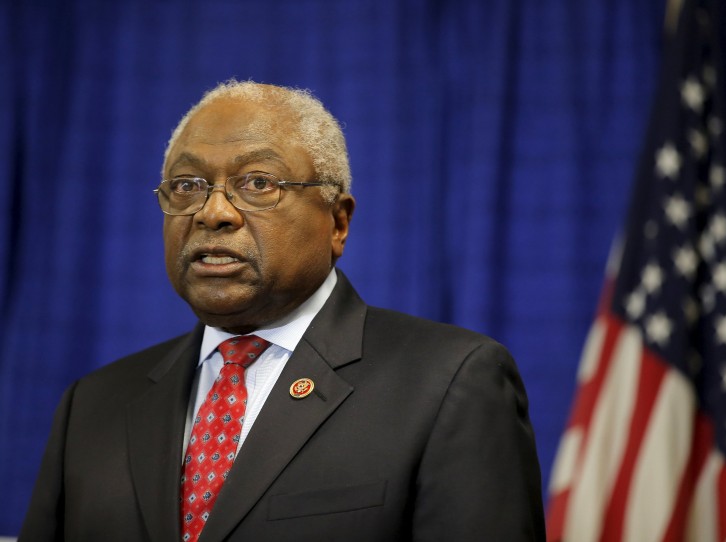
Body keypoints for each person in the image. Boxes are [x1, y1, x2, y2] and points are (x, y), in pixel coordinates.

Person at [20, 80, 545, 541]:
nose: (214, 213)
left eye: (257, 183)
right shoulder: (93, 405)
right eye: (187, 186)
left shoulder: (449, 383)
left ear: (337, 223)